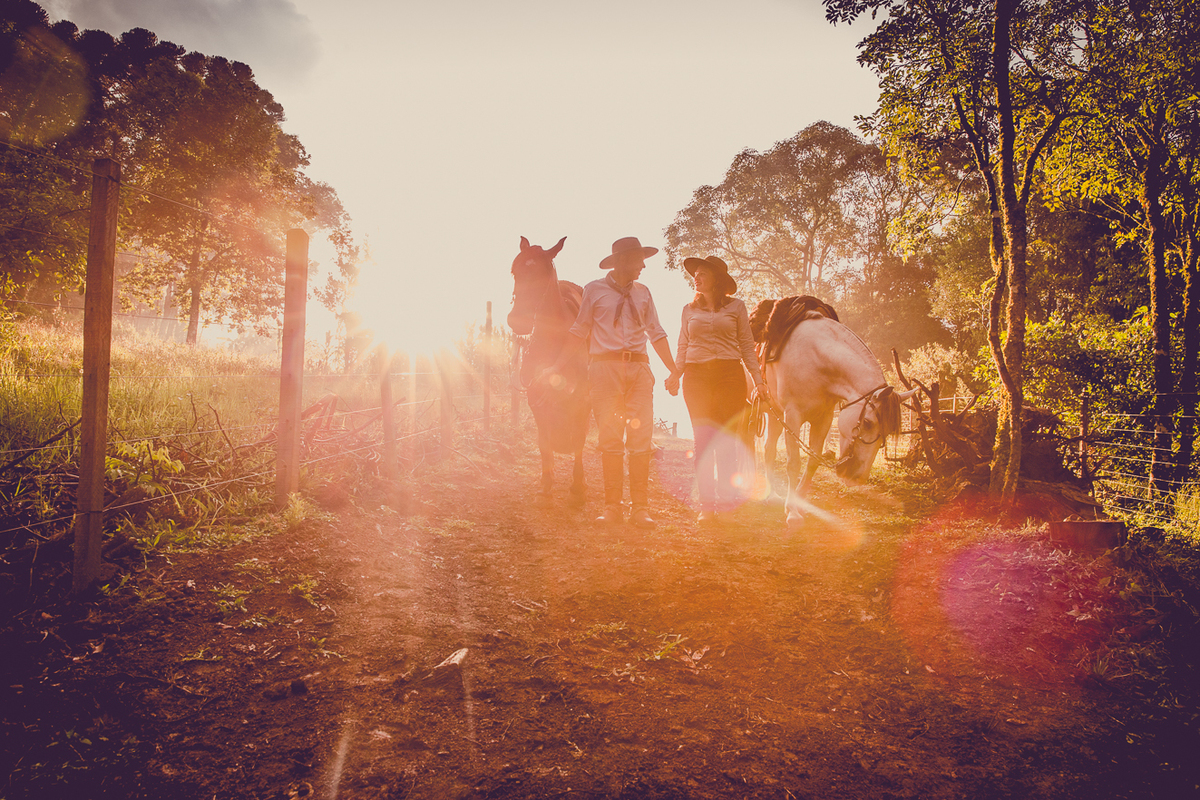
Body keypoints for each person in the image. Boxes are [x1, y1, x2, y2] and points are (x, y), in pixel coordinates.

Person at [547, 236, 680, 527]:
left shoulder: (644, 292)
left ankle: (640, 509)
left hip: (639, 370)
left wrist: (674, 369)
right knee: (610, 439)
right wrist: (557, 365)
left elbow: (656, 333)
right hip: (604, 369)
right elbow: (579, 330)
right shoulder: (594, 290)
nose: (643, 266)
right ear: (622, 262)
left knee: (640, 438)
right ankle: (612, 508)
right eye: (638, 260)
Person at [665, 255, 767, 524]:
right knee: (703, 441)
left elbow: (747, 346)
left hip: (729, 376)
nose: (696, 277)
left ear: (717, 280)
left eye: (702, 274)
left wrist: (759, 381)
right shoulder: (688, 310)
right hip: (696, 378)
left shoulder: (736, 307)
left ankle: (725, 502)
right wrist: (675, 374)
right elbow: (682, 346)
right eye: (694, 274)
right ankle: (707, 505)